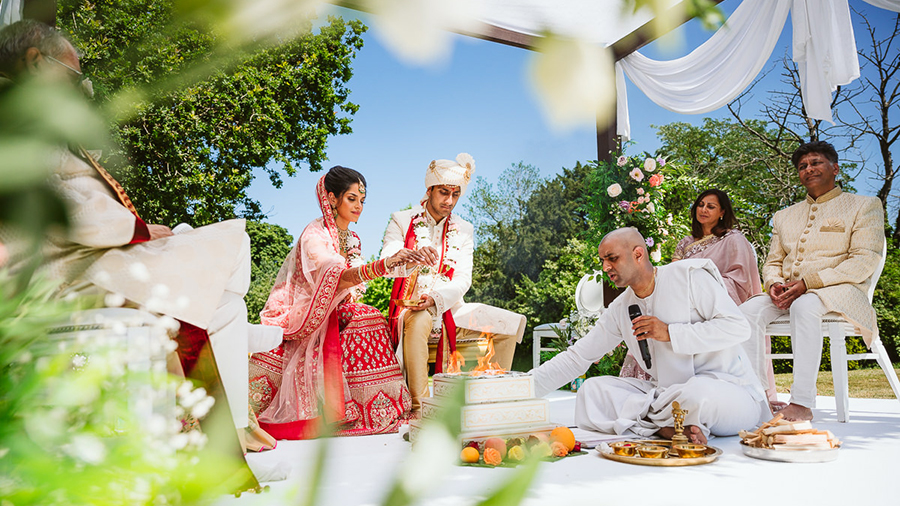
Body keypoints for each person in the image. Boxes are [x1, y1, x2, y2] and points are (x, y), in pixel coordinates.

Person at [0, 20, 279, 489]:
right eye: (73, 80)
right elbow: (64, 209)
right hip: (53, 275)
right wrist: (140, 229)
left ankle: (230, 439)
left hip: (77, 264)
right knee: (223, 250)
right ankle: (217, 446)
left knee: (226, 299)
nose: (80, 94)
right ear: (34, 63)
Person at [532, 227, 767, 444]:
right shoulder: (620, 308)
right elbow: (577, 357)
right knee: (591, 392)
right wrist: (523, 388)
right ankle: (667, 428)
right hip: (665, 395)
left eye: (612, 258)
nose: (605, 267)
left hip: (727, 390)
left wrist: (670, 333)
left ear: (638, 254)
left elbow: (738, 328)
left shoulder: (689, 277)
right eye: (603, 260)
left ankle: (654, 422)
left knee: (696, 396)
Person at [249, 167, 429, 439]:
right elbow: (334, 276)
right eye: (352, 199)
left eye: (362, 201)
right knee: (367, 318)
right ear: (332, 198)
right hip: (308, 311)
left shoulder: (352, 237)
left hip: (338, 306)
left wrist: (401, 261)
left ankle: (378, 408)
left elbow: (355, 281)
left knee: (371, 316)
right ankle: (347, 411)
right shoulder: (315, 235)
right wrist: (381, 266)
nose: (359, 206)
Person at [740, 141, 884, 421]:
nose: (808, 169)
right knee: (746, 312)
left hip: (842, 290)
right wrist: (773, 284)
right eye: (802, 166)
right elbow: (772, 262)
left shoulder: (864, 205)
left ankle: (802, 403)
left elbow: (864, 260)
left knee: (804, 306)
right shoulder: (784, 216)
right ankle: (757, 398)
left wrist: (810, 282)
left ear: (835, 168)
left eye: (816, 162)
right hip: (791, 291)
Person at [380, 154, 526, 416]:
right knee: (420, 316)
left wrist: (436, 297)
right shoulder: (402, 220)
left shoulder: (464, 228)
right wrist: (411, 256)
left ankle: (493, 400)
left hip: (450, 306)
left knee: (509, 323)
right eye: (443, 192)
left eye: (455, 194)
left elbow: (463, 279)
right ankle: (421, 407)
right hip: (410, 307)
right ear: (429, 190)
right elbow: (386, 260)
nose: (449, 201)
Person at [619, 189, 778, 405]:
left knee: (669, 323)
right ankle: (652, 390)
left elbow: (740, 279)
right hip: (681, 303)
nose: (703, 210)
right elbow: (672, 278)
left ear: (722, 212)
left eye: (711, 206)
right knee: (651, 319)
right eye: (701, 205)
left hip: (710, 303)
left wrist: (702, 288)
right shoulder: (685, 242)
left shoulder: (733, 239)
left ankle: (688, 393)